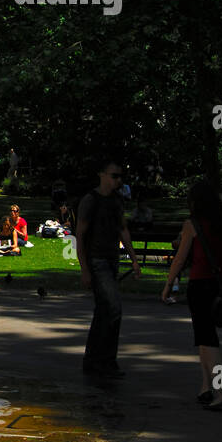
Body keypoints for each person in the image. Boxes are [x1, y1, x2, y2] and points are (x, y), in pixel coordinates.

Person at [163, 181, 222, 412]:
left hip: (199, 286)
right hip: (220, 286)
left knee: (209, 342)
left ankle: (221, 392)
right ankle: (206, 387)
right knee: (204, 339)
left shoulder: (192, 225)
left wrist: (168, 285)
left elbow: (179, 259)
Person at [76, 160, 141, 378]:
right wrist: (84, 268)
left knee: (104, 311)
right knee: (113, 309)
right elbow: (81, 235)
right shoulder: (90, 200)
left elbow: (123, 230)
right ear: (102, 175)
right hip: (97, 260)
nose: (118, 180)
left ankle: (96, 360)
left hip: (112, 259)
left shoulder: (116, 200)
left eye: (120, 176)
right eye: (114, 175)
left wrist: (133, 258)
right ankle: (103, 361)